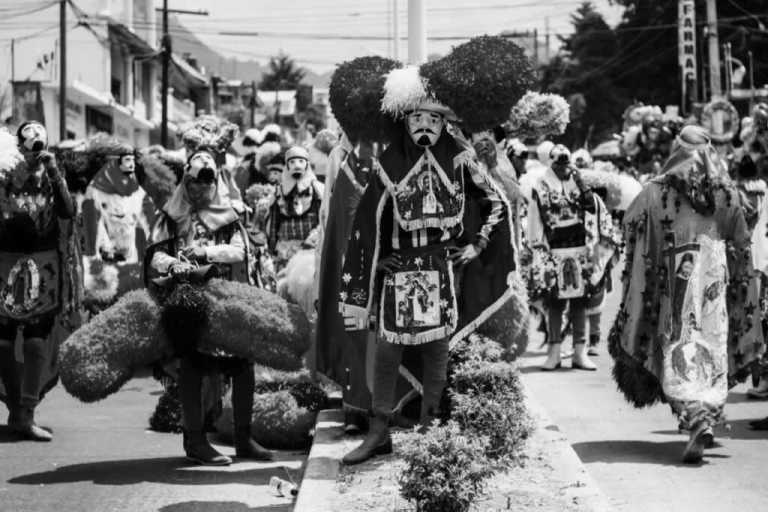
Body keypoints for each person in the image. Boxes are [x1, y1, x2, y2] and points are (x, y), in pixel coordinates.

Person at [338, 60, 516, 465]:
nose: (424, 126)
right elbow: (365, 223)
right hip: (398, 274)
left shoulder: (460, 160)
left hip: (441, 272)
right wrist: (375, 264)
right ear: (405, 121)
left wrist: (478, 244)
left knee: (437, 351)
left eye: (432, 118)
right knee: (388, 351)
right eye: (417, 117)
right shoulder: (389, 165)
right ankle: (379, 432)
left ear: (444, 123)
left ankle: (430, 429)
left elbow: (497, 204)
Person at [609, 125, 764, 463]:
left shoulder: (654, 191)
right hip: (715, 285)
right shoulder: (726, 191)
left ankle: (694, 418)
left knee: (677, 342)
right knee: (713, 340)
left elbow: (630, 224)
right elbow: (741, 241)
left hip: (672, 285)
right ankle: (706, 413)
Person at [148, 148, 271, 465]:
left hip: (225, 300)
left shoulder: (229, 214)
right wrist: (174, 263)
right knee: (193, 367)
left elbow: (239, 252)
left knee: (243, 367)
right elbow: (154, 256)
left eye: (206, 184)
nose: (199, 190)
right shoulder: (171, 216)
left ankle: (244, 440)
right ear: (185, 182)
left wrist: (203, 253)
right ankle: (195, 441)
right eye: (193, 184)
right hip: (188, 302)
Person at [0, 122, 82, 441]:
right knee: (3, 343)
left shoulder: (51, 172)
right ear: (17, 145)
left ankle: (29, 412)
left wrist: (53, 172)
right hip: (5, 262)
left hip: (43, 262)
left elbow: (67, 211)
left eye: (40, 143)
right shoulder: (4, 173)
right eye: (29, 143)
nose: (34, 149)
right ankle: (15, 412)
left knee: (36, 341)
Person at [527, 145, 618, 371]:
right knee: (555, 304)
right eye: (558, 165)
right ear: (551, 164)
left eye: (565, 165)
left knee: (580, 304)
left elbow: (594, 209)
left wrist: (581, 183)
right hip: (554, 251)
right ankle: (554, 353)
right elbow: (535, 220)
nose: (562, 169)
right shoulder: (541, 186)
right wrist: (538, 251)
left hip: (581, 251)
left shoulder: (580, 184)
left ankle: (580, 352)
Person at [82, 141, 153, 265]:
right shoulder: (94, 191)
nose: (131, 165)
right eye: (127, 160)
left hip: (131, 263)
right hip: (103, 264)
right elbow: (91, 227)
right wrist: (98, 253)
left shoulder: (138, 192)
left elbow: (149, 226)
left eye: (132, 160)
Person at [266, 146, 324, 267]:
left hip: (310, 249)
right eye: (292, 162)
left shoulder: (318, 190)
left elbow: (323, 219)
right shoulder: (279, 192)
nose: (297, 166)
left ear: (307, 164)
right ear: (287, 165)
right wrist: (271, 249)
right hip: (284, 250)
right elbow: (273, 223)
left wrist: (313, 239)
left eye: (301, 161)